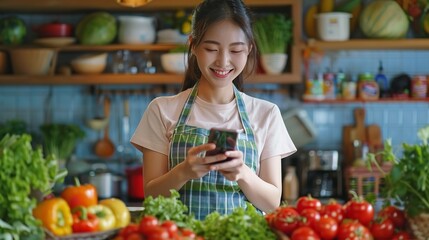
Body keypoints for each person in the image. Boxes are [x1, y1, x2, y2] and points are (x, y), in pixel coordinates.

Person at [131, 0, 296, 220]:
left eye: (236, 50)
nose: (223, 61)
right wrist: (184, 172)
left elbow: (273, 202)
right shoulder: (162, 110)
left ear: (249, 49)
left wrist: (242, 173)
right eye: (211, 49)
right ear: (193, 46)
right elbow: (151, 197)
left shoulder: (266, 113)